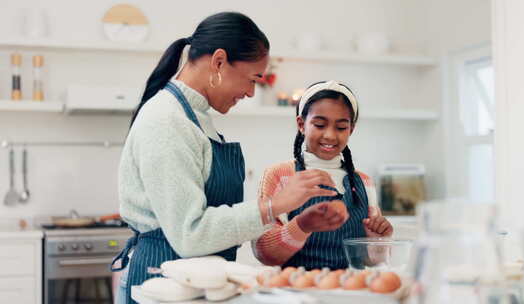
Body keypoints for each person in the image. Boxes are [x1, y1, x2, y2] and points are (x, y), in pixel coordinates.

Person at [110, 12, 337, 303]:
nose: (251, 92)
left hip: (193, 286)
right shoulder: (166, 120)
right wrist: (273, 206)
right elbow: (190, 234)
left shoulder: (195, 118)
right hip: (164, 284)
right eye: (252, 78)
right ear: (219, 62)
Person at [252, 80, 394, 270]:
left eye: (341, 127)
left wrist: (377, 239)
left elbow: (373, 261)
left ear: (351, 129)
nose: (330, 135)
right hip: (296, 291)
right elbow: (264, 252)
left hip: (348, 290)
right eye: (319, 125)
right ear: (301, 125)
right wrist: (302, 226)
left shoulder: (364, 182)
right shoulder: (280, 175)